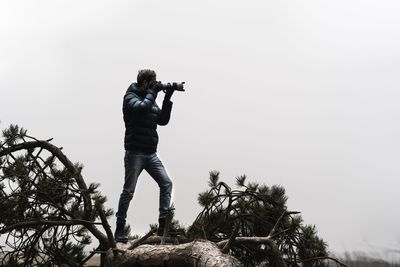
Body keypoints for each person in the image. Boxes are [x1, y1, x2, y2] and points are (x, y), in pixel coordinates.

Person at [115, 69, 175, 243]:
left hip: (151, 154)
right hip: (134, 153)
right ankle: (120, 229)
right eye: (153, 82)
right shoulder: (130, 97)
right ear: (145, 82)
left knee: (166, 183)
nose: (156, 84)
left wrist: (167, 97)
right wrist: (153, 93)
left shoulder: (150, 99)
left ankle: (163, 225)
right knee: (128, 192)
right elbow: (141, 109)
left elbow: (162, 120)